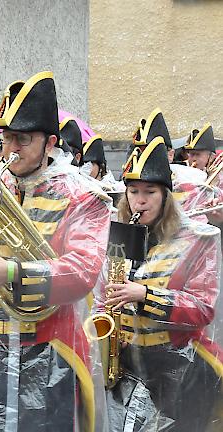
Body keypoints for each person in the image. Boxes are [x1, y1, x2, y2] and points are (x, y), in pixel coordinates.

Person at [0, 71, 111, 431]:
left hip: (51, 353)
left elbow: (82, 273)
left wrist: (12, 272)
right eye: (7, 138)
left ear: (50, 143)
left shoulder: (84, 197)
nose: (11, 149)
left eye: (23, 139)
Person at [103, 135, 222, 431]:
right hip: (126, 367)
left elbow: (203, 310)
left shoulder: (197, 239)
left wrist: (145, 295)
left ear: (166, 196)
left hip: (179, 373)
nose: (138, 201)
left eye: (149, 192)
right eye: (132, 191)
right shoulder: (118, 233)